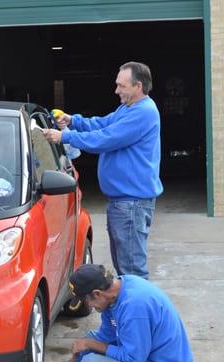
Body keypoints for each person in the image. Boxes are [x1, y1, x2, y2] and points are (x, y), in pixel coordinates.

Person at [43, 62, 162, 280]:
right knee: (125, 268)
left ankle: (137, 312)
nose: (117, 91)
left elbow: (105, 139)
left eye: (121, 86)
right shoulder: (127, 108)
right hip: (123, 203)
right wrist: (72, 120)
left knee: (133, 272)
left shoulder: (143, 113)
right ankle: (130, 310)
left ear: (138, 86)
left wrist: (65, 136)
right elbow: (102, 124)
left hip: (131, 204)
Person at [43, 264, 193, 362]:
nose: (89, 306)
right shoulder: (116, 291)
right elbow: (106, 335)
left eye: (87, 301)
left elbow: (134, 359)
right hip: (148, 357)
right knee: (89, 340)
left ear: (97, 293)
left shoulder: (134, 308)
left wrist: (91, 346)